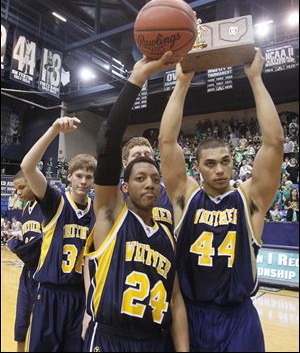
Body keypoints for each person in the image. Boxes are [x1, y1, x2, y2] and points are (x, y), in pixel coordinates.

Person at [158, 48, 284, 352]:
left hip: (239, 317)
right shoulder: (186, 196)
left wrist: (255, 79)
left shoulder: (249, 199)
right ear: (197, 168)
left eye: (225, 161)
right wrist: (182, 82)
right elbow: (166, 141)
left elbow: (275, 142)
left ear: (233, 162)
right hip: (193, 314)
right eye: (211, 163)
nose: (219, 169)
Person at [83, 51, 189, 352]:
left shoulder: (167, 235)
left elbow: (176, 299)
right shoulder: (110, 214)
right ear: (124, 186)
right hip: (110, 338)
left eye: (155, 179)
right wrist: (136, 79)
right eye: (140, 178)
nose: (150, 184)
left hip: (153, 341)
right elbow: (107, 144)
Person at [20, 118, 97, 352]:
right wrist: (53, 130)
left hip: (78, 296)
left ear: (94, 181)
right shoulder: (56, 201)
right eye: (79, 175)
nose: (83, 181)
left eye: (89, 177)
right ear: (69, 177)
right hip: (49, 292)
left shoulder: (96, 210)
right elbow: (28, 166)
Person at [7, 171, 43, 352]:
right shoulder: (25, 211)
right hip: (27, 273)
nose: (18, 192)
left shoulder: (46, 207)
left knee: (38, 325)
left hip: (43, 275)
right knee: (21, 322)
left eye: (22, 187)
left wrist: (22, 249)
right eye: (16, 189)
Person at [121, 136, 173, 229]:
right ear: (125, 163)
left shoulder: (169, 190)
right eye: (136, 155)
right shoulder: (114, 193)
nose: (143, 158)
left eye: (147, 154)